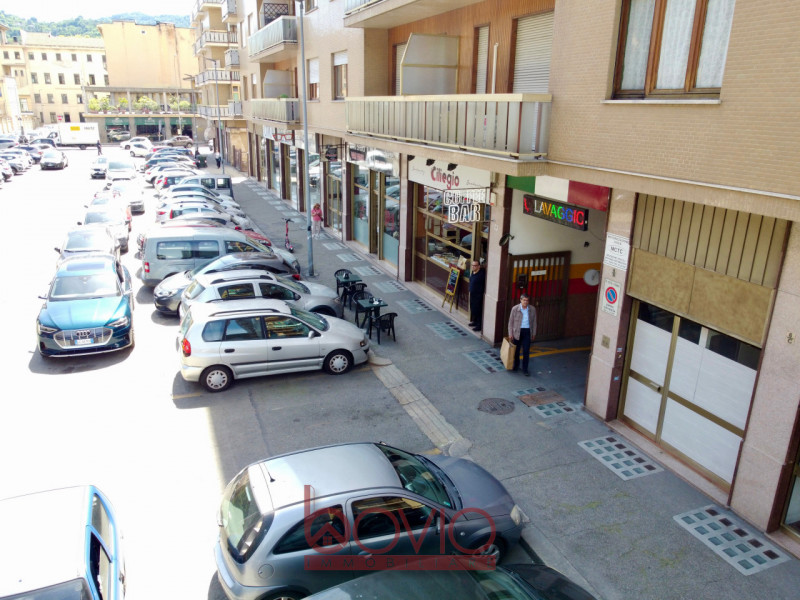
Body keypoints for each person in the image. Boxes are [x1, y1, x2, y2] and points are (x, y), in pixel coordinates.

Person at [507, 293, 537, 376]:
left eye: (527, 300)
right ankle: (516, 366)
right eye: (524, 300)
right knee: (516, 351)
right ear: (520, 300)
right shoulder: (515, 309)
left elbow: (534, 322)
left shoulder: (532, 309)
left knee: (526, 351)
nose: (525, 302)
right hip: (517, 332)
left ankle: (525, 369)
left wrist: (534, 333)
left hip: (527, 332)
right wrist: (510, 333)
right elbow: (510, 322)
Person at [468, 259, 486, 331]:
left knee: (478, 310)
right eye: (472, 265)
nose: (473, 267)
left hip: (478, 295)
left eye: (475, 266)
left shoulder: (481, 275)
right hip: (472, 294)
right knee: (473, 308)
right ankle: (475, 321)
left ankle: (479, 325)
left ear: (479, 266)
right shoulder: (473, 272)